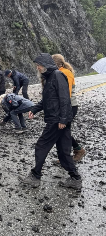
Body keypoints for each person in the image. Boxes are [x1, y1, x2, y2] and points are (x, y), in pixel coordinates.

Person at [18, 53, 82, 190]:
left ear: (46, 65)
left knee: (41, 145)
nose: (38, 68)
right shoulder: (49, 78)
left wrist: (63, 119)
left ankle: (35, 176)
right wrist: (34, 109)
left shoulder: (58, 76)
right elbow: (46, 100)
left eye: (39, 65)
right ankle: (75, 178)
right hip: (58, 119)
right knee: (64, 151)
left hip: (57, 120)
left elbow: (65, 98)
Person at [52, 54, 86, 162]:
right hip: (64, 106)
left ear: (56, 64)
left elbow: (66, 95)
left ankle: (78, 150)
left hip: (69, 106)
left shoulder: (66, 73)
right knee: (63, 131)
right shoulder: (58, 72)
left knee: (63, 131)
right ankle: (65, 157)